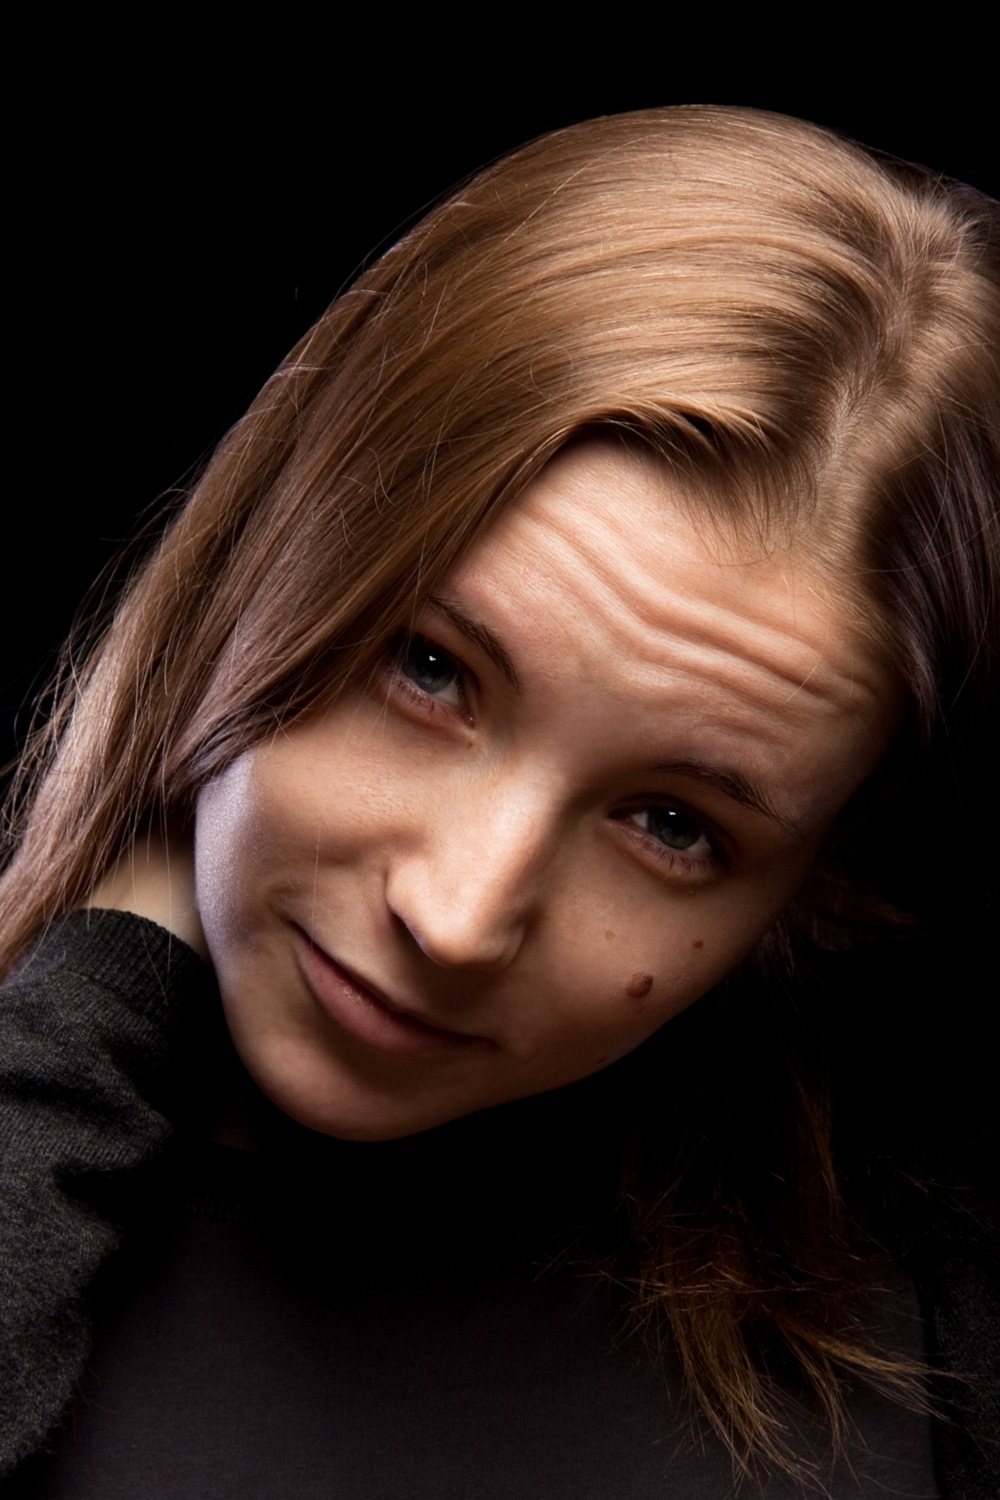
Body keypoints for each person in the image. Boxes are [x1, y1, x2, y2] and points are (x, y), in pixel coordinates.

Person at [1, 106, 996, 1497]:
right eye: (429, 671)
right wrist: (81, 1019)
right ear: (268, 547)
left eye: (674, 827)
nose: (458, 917)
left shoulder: (930, 1342)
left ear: (814, 883)